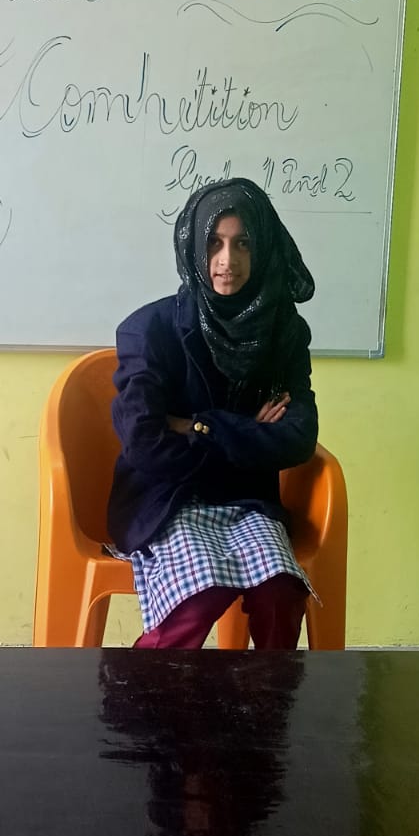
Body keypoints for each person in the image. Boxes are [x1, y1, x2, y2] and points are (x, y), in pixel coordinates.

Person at [107, 177, 319, 649]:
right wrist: (248, 435)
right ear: (194, 247)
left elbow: (299, 437)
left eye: (243, 243)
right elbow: (144, 443)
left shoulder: (283, 332)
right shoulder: (149, 329)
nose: (227, 260)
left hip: (247, 500)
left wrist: (196, 426)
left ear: (262, 248)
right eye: (214, 243)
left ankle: (266, 694)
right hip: (166, 498)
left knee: (281, 591)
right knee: (200, 595)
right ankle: (141, 691)